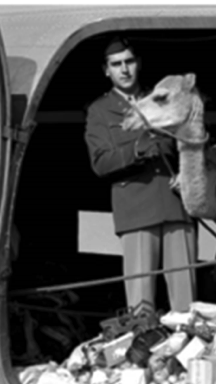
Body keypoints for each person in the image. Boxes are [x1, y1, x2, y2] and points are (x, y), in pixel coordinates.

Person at [84, 36, 197, 315]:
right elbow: (100, 162)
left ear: (139, 64)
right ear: (106, 70)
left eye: (129, 62)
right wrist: (137, 150)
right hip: (135, 209)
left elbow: (194, 138)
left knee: (187, 306)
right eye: (116, 64)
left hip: (175, 203)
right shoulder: (99, 111)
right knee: (141, 307)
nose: (124, 70)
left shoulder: (162, 96)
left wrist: (187, 172)